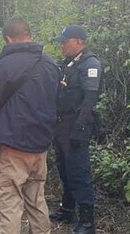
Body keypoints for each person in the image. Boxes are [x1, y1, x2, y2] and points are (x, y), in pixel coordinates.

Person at [0, 18, 61, 234]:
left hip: (12, 145)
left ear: (8, 39)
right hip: (40, 144)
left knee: (8, 204)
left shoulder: (4, 65)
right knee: (36, 201)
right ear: (29, 35)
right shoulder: (50, 63)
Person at [50, 24, 103, 234]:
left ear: (79, 42)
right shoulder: (70, 63)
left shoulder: (90, 64)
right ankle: (67, 208)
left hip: (76, 126)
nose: (62, 45)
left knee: (79, 172)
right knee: (65, 169)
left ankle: (87, 222)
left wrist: (80, 128)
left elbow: (90, 99)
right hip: (62, 125)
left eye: (65, 41)